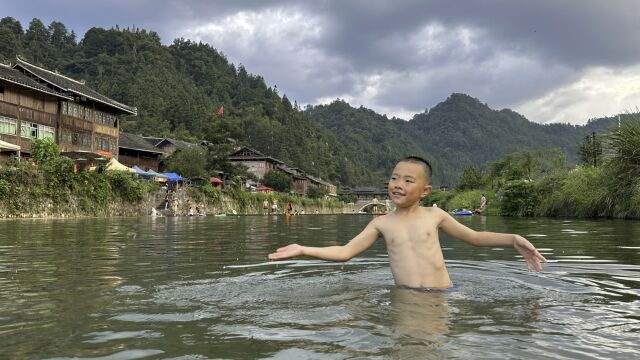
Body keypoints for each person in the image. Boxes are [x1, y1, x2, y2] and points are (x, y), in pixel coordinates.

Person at [268, 156, 546, 290]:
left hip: (444, 296)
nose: (398, 185)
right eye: (394, 178)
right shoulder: (381, 224)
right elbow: (344, 252)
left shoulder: (435, 216)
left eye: (408, 181)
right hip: (407, 299)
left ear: (425, 190)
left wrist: (512, 239)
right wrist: (304, 249)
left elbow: (474, 238)